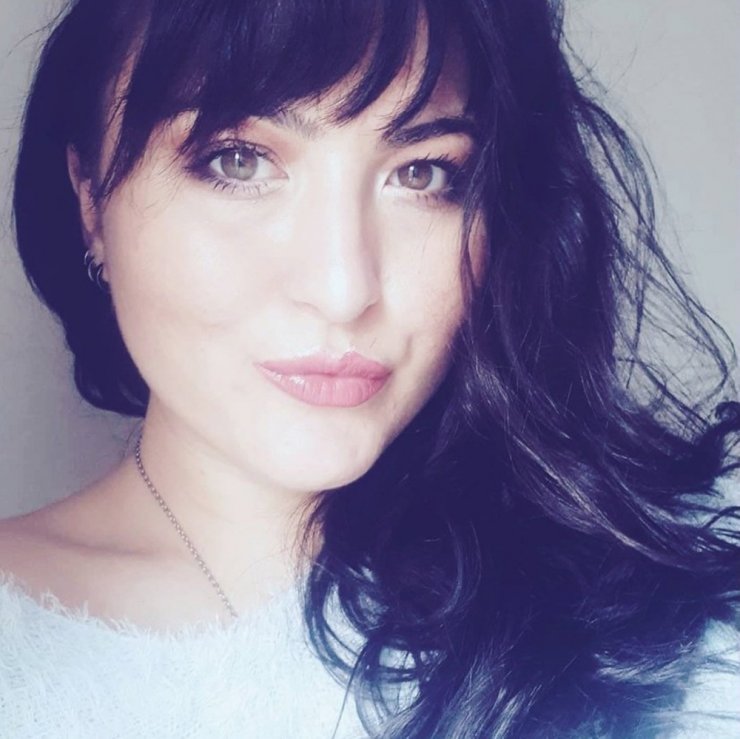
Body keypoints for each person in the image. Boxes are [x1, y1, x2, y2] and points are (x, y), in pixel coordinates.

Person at [1, 0, 738, 736]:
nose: (344, 288)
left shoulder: (661, 621)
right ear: (91, 202)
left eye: (422, 173)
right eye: (239, 161)